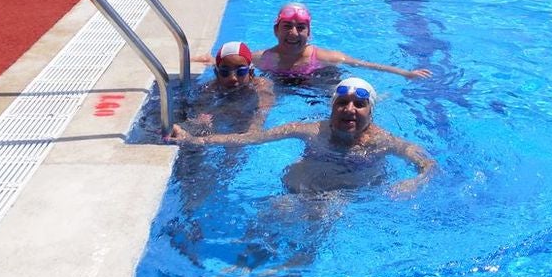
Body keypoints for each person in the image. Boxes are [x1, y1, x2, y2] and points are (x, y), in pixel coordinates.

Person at [169, 77, 436, 197]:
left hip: (349, 198)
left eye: (359, 104)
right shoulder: (308, 130)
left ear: (371, 112)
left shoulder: (383, 141)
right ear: (332, 107)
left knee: (328, 211)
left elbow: (428, 164)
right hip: (301, 189)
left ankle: (295, 267)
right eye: (342, 102)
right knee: (275, 210)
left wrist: (415, 182)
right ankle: (245, 265)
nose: (349, 109)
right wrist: (196, 141)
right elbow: (250, 139)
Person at [252, 2, 432, 80]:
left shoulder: (325, 57)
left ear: (309, 34)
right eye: (287, 26)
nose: (293, 33)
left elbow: (364, 65)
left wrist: (405, 73)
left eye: (300, 28)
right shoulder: (261, 58)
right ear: (276, 30)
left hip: (316, 90)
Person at [186, 41, 274, 134]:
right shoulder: (210, 88)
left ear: (251, 73)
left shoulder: (261, 85)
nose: (232, 78)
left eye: (240, 71)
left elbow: (262, 112)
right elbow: (199, 109)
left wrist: (254, 126)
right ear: (217, 73)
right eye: (225, 72)